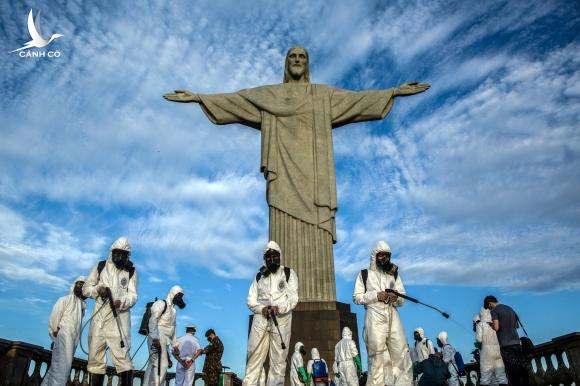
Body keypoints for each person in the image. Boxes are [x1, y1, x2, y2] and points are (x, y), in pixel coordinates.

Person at [164, 46, 429, 304]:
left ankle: (318, 296)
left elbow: (357, 100)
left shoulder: (322, 96)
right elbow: (237, 101)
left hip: (315, 181)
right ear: (286, 63)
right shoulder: (270, 96)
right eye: (293, 56)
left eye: (302, 56)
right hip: (283, 179)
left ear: (308, 64)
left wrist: (393, 92)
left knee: (316, 234)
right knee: (281, 237)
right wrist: (199, 97)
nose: (298, 60)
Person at [353, 240, 413, 386]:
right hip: (374, 314)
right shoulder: (364, 274)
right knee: (377, 356)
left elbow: (402, 297)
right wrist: (375, 295)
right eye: (381, 255)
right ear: (375, 256)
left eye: (387, 255)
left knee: (401, 352)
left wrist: (396, 297)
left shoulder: (394, 274)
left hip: (392, 312)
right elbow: (357, 297)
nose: (384, 258)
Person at [83, 236, 137, 386]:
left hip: (119, 318)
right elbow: (86, 288)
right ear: (112, 252)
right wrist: (98, 290)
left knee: (123, 358)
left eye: (123, 254)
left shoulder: (131, 271)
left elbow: (133, 295)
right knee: (95, 357)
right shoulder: (100, 267)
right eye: (117, 253)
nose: (120, 256)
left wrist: (122, 302)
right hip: (99, 317)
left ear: (127, 255)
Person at [243, 241, 299, 386]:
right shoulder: (259, 276)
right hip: (260, 319)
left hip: (281, 320)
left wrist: (279, 308)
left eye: (274, 255)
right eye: (268, 256)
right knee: (253, 357)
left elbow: (293, 299)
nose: (271, 259)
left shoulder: (288, 273)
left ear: (280, 256)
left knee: (278, 361)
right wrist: (261, 309)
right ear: (264, 258)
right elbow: (250, 300)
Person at [41, 277, 87, 386]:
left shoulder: (82, 306)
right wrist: (55, 335)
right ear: (74, 285)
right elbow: (54, 318)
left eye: (83, 285)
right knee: (62, 368)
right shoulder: (64, 299)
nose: (81, 287)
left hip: (73, 339)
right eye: (79, 284)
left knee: (57, 367)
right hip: (63, 336)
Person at [144, 285, 187, 386]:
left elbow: (173, 329)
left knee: (153, 366)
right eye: (178, 295)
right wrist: (155, 338)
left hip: (166, 340)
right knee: (161, 365)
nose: (180, 298)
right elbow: (153, 321)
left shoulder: (174, 311)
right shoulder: (160, 303)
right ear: (173, 293)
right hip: (157, 336)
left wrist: (175, 345)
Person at [485, 296, 529, 386]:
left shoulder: (494, 311)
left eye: (488, 307)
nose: (489, 309)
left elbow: (497, 328)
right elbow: (516, 326)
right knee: (522, 368)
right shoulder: (509, 308)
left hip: (505, 345)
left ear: (490, 303)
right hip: (516, 343)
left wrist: (491, 325)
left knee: (513, 372)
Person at [475, 307, 508, 386]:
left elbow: (478, 340)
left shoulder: (480, 324)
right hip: (497, 350)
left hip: (486, 351)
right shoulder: (495, 323)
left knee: (485, 377)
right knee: (501, 376)